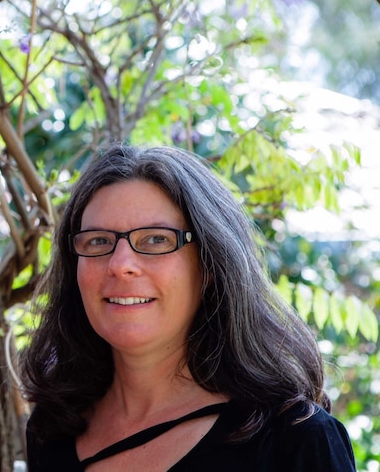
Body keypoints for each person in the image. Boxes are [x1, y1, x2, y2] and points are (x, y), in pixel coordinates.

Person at [21, 145, 355, 471]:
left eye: (156, 239)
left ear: (210, 265)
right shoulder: (52, 432)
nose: (120, 265)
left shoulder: (293, 439)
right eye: (98, 241)